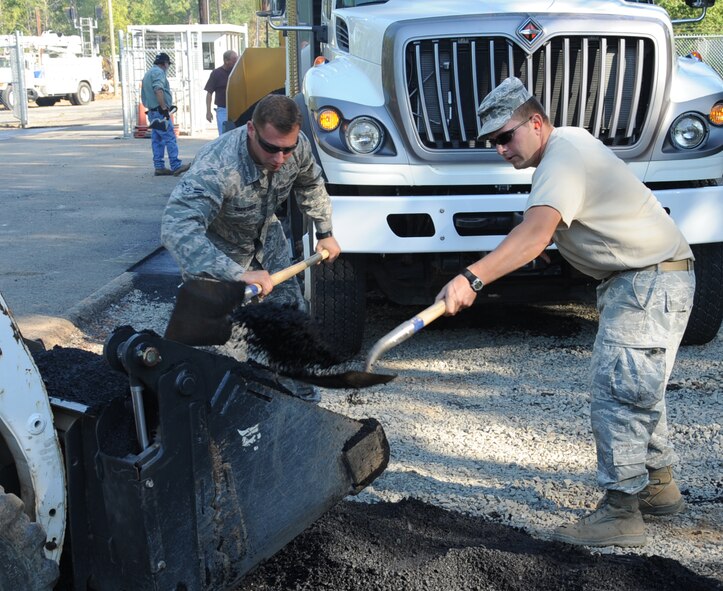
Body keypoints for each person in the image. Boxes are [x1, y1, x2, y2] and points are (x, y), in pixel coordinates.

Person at [436, 77, 695, 548]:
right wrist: (563, 243)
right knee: (639, 386)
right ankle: (659, 489)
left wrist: (471, 278)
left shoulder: (562, 155)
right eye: (492, 142)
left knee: (617, 390)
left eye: (504, 136)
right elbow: (559, 224)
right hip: (653, 278)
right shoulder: (568, 147)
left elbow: (533, 234)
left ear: (536, 123)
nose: (499, 149)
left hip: (647, 282)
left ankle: (622, 513)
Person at [160, 93, 341, 399]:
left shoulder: (295, 148)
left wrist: (325, 231)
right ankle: (223, 421)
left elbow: (310, 183)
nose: (279, 159)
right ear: (251, 130)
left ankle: (305, 405)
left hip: (266, 241)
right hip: (217, 253)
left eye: (288, 149)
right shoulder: (217, 166)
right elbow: (177, 229)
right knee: (220, 351)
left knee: (291, 324)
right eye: (271, 148)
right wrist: (235, 274)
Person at [140, 52, 191, 177]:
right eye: (168, 64)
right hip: (159, 112)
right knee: (170, 138)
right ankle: (176, 166)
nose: (168, 67)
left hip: (152, 112)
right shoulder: (159, 73)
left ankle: (159, 166)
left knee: (157, 139)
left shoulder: (148, 73)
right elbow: (158, 90)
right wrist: (164, 108)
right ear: (165, 63)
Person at [204, 50, 239, 135]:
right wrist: (208, 111)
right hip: (223, 110)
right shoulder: (216, 73)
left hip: (237, 110)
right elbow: (209, 93)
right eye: (234, 59)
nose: (236, 62)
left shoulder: (238, 72)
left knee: (236, 135)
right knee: (224, 134)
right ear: (226, 61)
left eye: (237, 59)